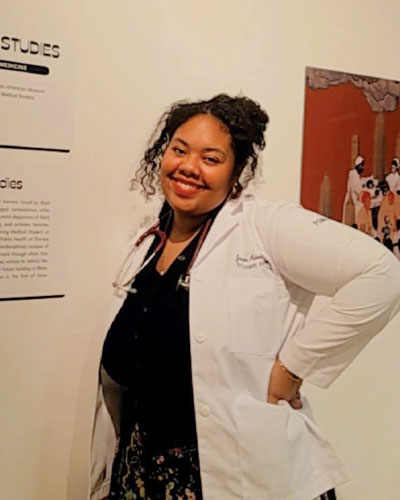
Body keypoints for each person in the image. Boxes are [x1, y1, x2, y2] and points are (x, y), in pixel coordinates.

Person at [89, 94, 400, 500]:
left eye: (211, 158)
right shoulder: (146, 243)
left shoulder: (264, 226)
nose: (188, 167)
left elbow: (382, 274)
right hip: (145, 472)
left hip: (243, 476)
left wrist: (294, 365)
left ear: (236, 171)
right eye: (178, 149)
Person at [341, 155, 365, 224]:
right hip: (352, 201)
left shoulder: (356, 175)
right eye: (362, 166)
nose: (363, 168)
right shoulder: (354, 175)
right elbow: (357, 189)